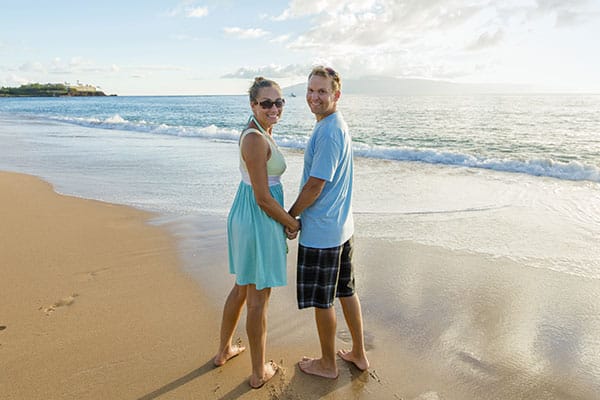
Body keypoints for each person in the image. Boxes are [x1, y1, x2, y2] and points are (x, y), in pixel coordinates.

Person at [214, 77, 300, 389]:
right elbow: (263, 198)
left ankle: (223, 351)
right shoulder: (254, 138)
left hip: (251, 214)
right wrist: (291, 222)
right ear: (253, 105)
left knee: (242, 288)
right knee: (257, 298)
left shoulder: (261, 131)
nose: (274, 108)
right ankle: (258, 372)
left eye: (279, 102)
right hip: (257, 217)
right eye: (266, 103)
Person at [287, 66, 370, 378]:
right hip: (340, 227)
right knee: (346, 291)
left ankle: (327, 363)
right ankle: (358, 353)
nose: (314, 97)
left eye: (322, 91)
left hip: (323, 232)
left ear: (336, 94)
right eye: (311, 90)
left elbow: (315, 185)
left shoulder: (330, 131)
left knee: (324, 302)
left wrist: (291, 214)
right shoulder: (333, 124)